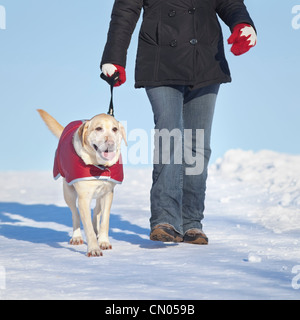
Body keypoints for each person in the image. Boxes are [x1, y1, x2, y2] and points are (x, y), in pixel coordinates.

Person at [100, 0, 256, 245]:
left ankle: (192, 222)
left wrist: (243, 23)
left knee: (197, 146)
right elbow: (125, 10)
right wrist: (114, 56)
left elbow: (229, 2)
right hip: (160, 61)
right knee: (169, 135)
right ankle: (165, 219)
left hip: (205, 61)